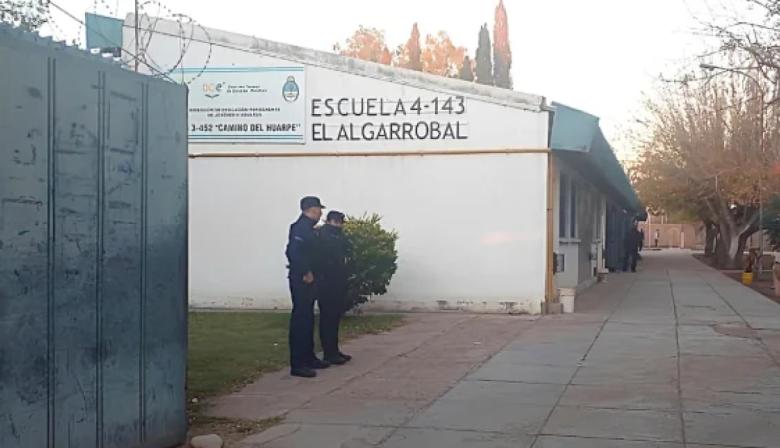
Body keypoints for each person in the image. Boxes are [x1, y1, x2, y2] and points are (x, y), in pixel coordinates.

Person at [285, 196, 330, 378]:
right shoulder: (300, 227)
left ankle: (309, 357)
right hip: (302, 279)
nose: (321, 213)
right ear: (311, 209)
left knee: (309, 319)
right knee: (301, 320)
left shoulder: (309, 228)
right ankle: (298, 363)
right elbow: (292, 252)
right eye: (319, 209)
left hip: (311, 278)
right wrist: (305, 271)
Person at [315, 211, 352, 365]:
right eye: (335, 222)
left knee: (335, 317)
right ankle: (329, 352)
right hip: (326, 282)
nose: (338, 225)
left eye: (340, 222)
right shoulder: (323, 235)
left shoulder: (339, 236)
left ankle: (334, 350)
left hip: (337, 280)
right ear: (329, 221)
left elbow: (347, 250)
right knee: (328, 317)